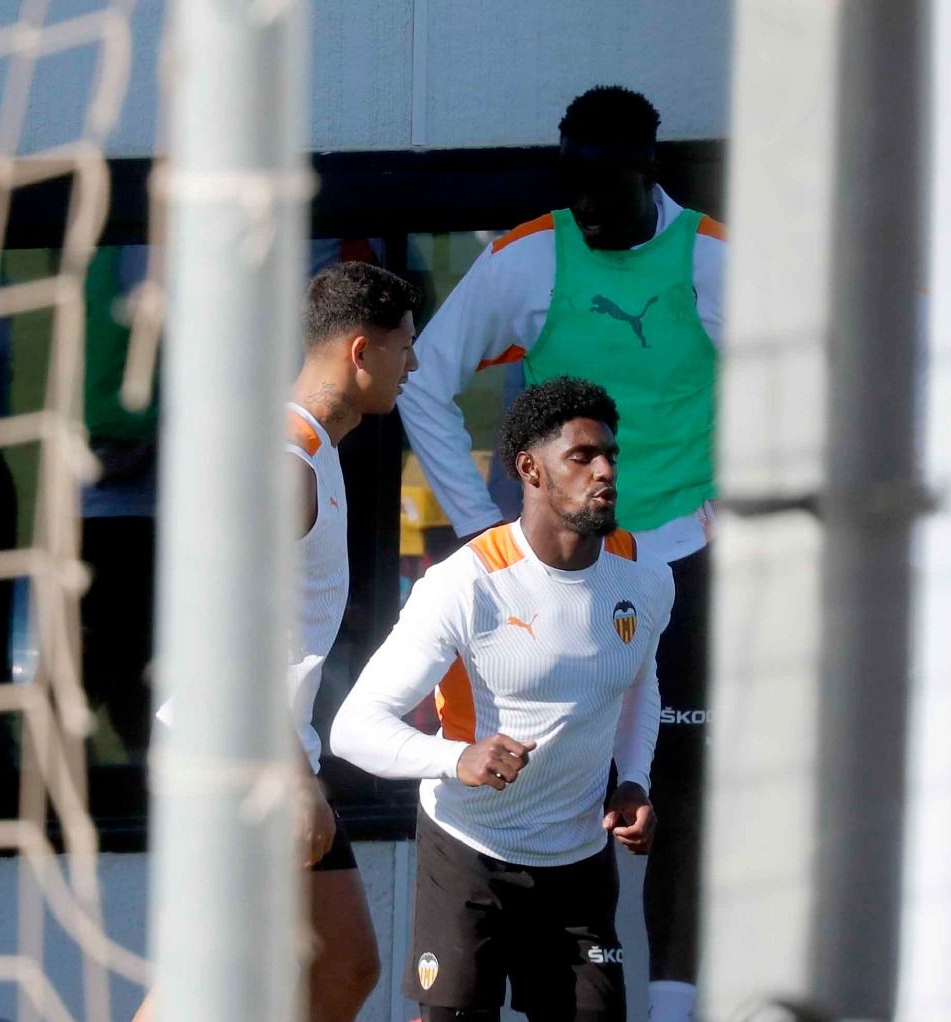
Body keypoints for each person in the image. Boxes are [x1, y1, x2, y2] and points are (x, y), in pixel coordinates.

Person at [396, 85, 723, 1022]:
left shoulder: (708, 257)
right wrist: (473, 526)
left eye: (605, 190)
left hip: (680, 559)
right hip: (561, 570)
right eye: (571, 188)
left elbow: (795, 376)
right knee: (546, 762)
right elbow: (422, 379)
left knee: (674, 791)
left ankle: (668, 1005)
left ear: (647, 170)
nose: (586, 210)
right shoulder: (529, 256)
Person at [333, 377, 673, 1022]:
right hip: (468, 855)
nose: (604, 471)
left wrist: (632, 780)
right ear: (529, 469)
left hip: (578, 863)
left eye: (610, 455)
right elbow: (353, 729)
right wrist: (454, 758)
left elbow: (640, 683)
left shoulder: (645, 577)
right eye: (581, 457)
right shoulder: (463, 585)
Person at [135, 261, 421, 1022]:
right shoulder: (284, 463)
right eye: (405, 347)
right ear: (362, 352)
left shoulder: (315, 449)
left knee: (344, 965)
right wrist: (297, 778)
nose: (414, 365)